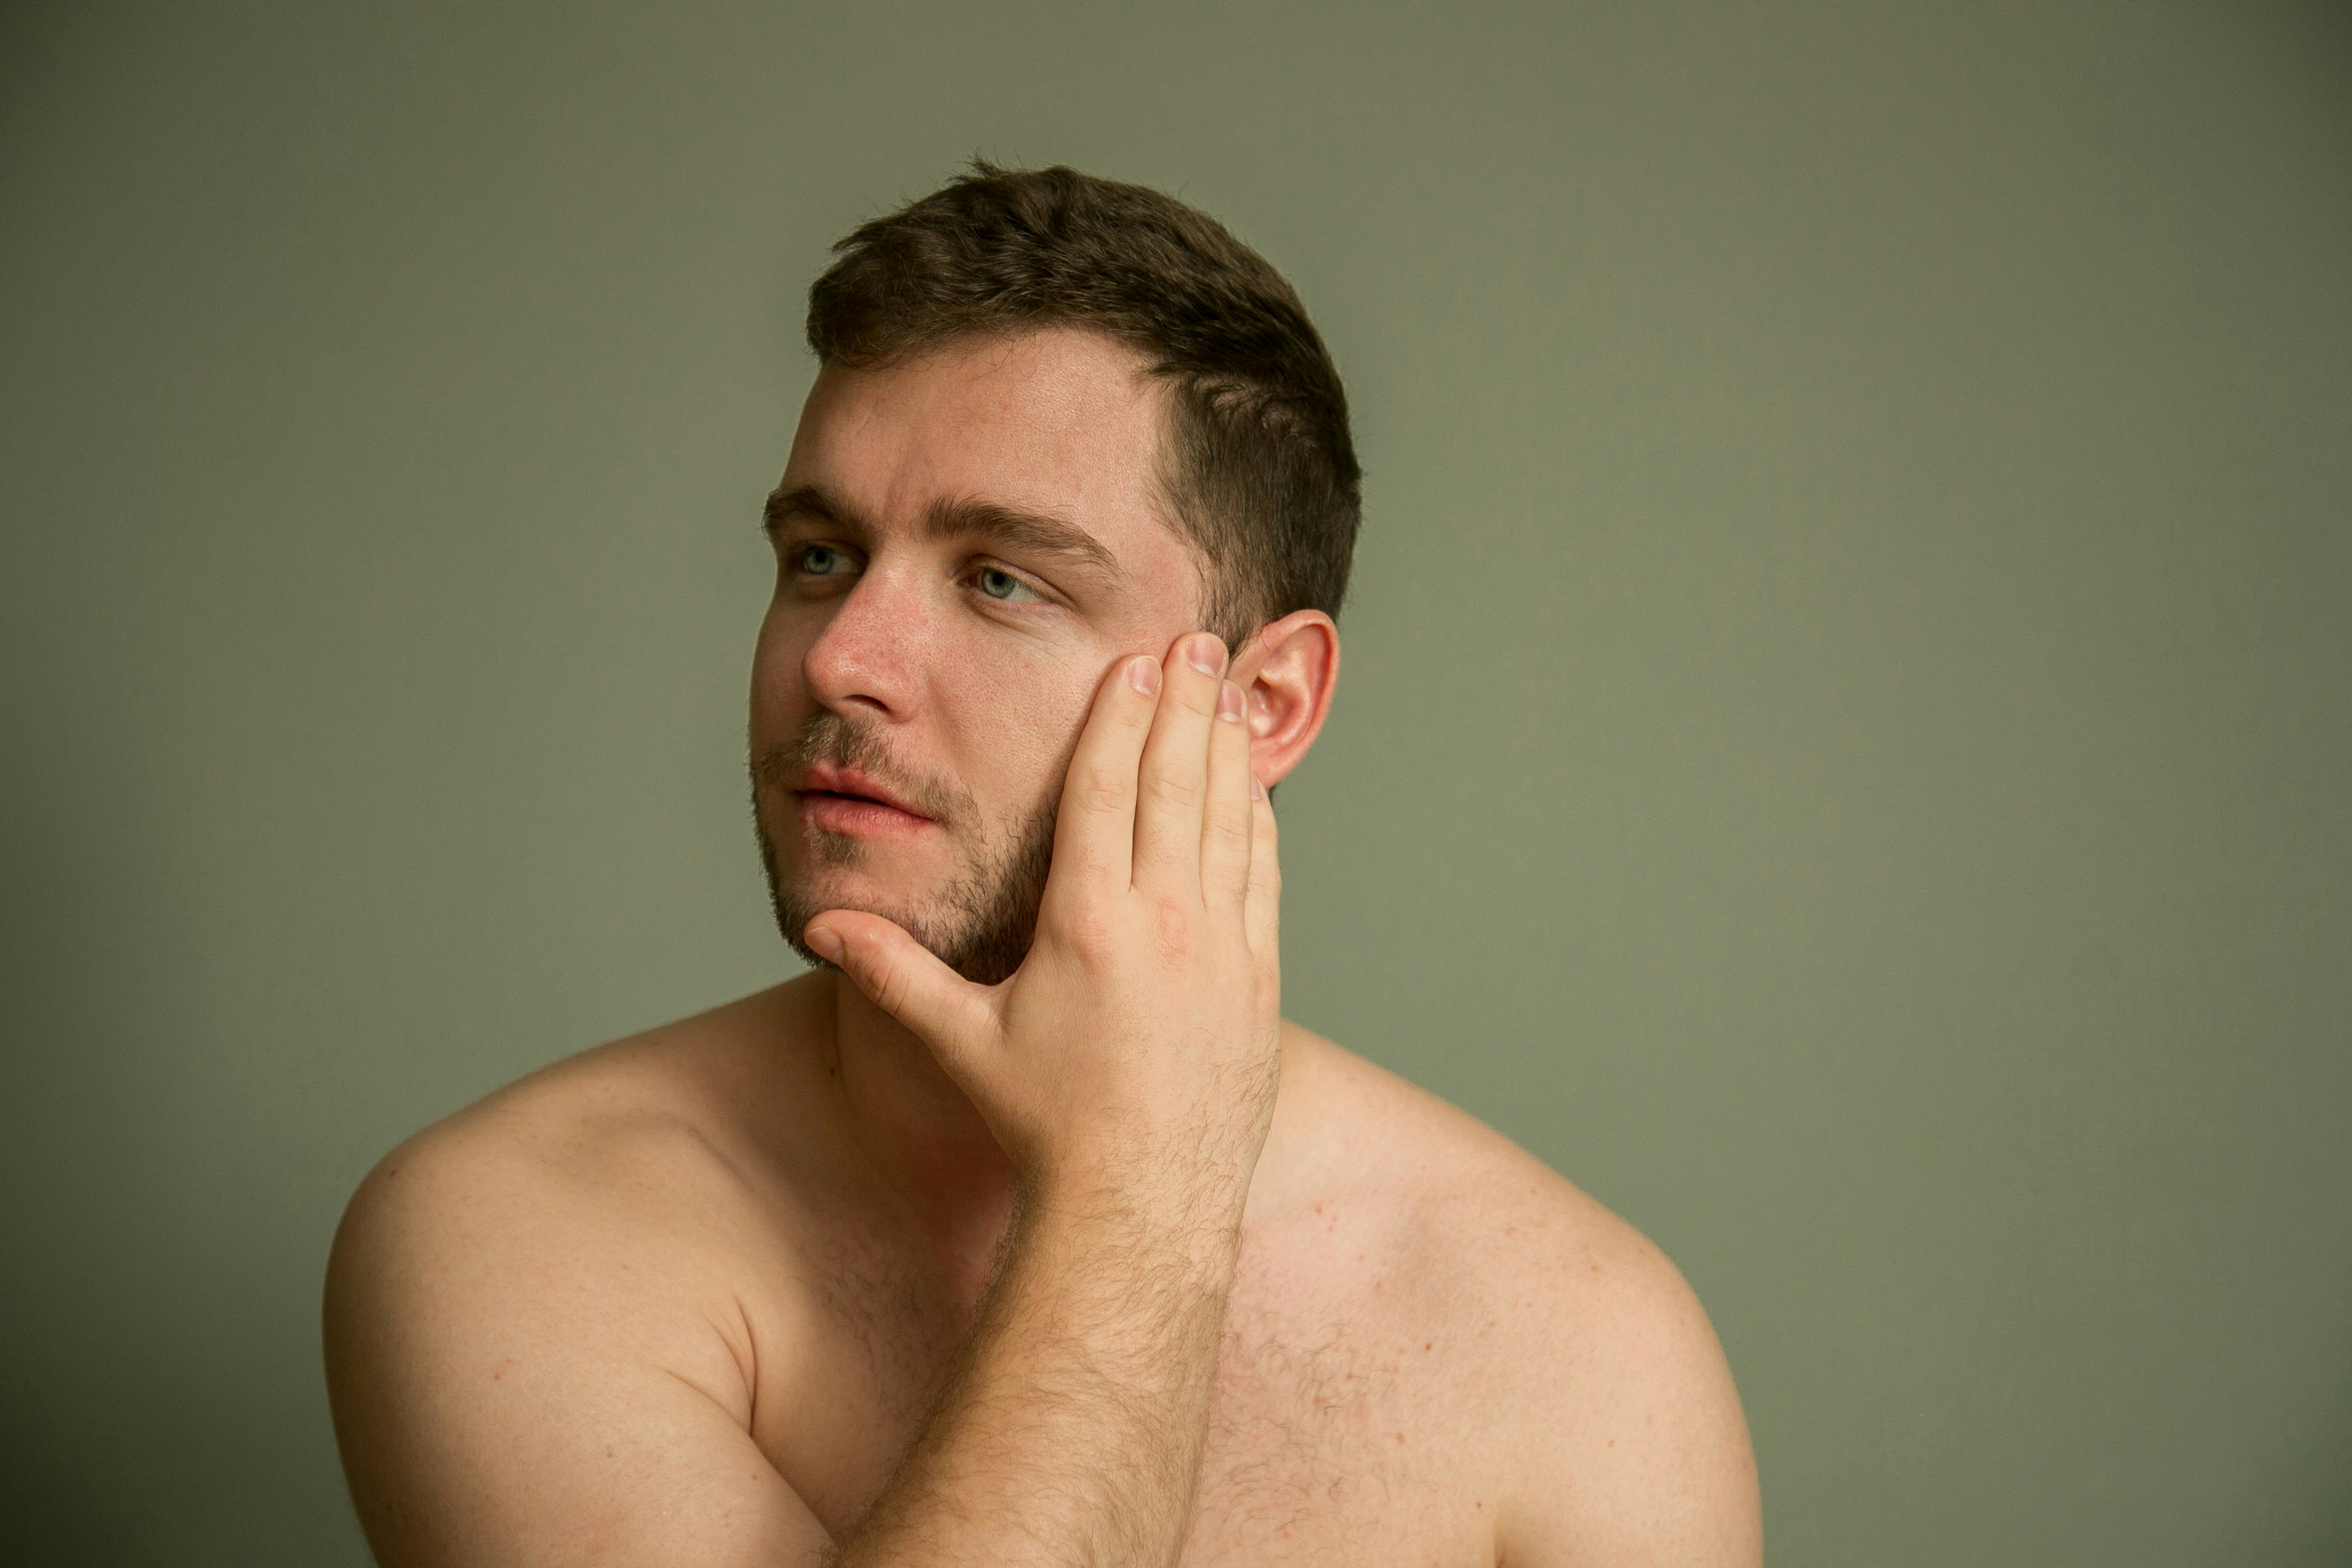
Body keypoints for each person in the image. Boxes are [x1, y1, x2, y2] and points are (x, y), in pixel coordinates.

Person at [323, 163, 1762, 1567]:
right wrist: (1138, 1197)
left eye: (1001, 579)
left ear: (1260, 709)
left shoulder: (1579, 1350)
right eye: (821, 555)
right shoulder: (522, 1230)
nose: (840, 659)